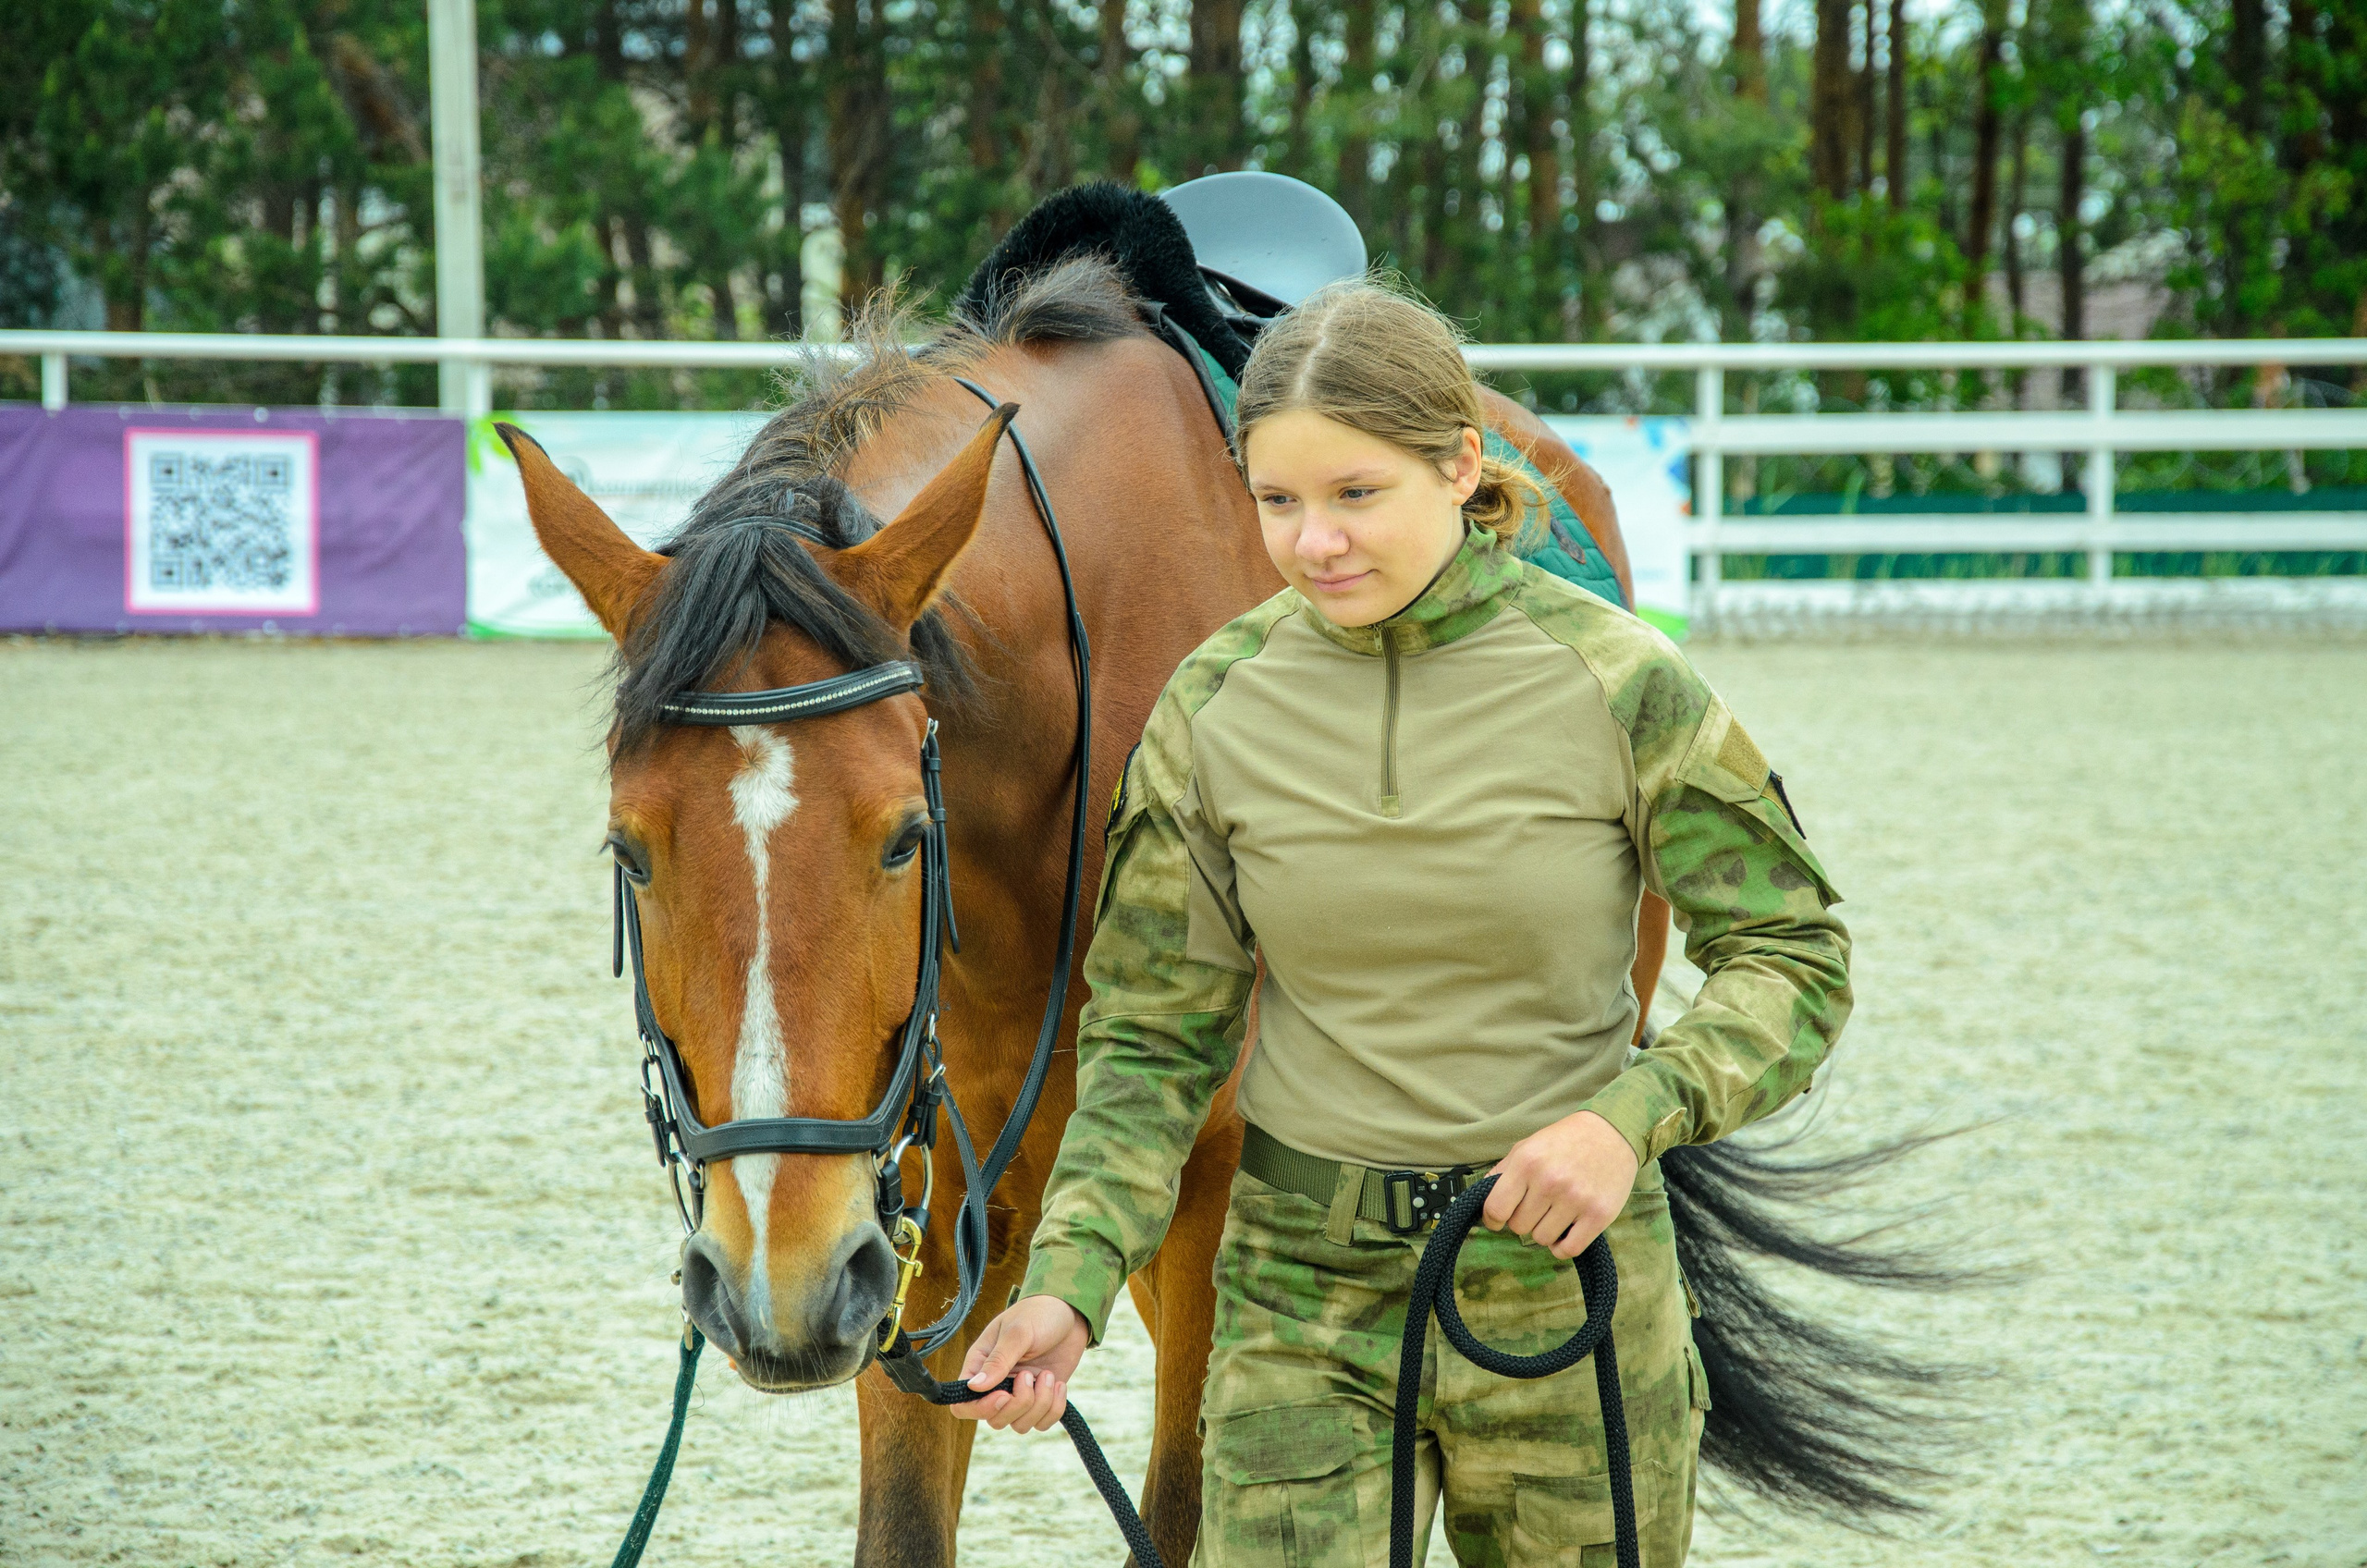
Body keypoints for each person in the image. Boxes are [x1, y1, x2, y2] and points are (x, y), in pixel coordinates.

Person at [949, 278, 1851, 1567]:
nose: (1315, 543)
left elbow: (1795, 957)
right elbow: (1153, 1036)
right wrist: (1070, 1283)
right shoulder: (1216, 707)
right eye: (1278, 502)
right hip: (1298, 1305)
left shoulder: (1621, 682)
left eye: (1356, 495)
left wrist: (1628, 1121)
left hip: (1572, 1290)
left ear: (1461, 466)